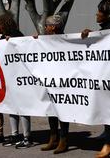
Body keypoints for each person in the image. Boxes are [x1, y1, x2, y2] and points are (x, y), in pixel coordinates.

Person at [81, 0, 110, 158]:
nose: (96, 14)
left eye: (99, 11)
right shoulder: (103, 31)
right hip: (107, 78)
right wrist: (89, 36)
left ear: (108, 14)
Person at [0, 11, 33, 149]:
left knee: (23, 108)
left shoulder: (18, 35)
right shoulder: (0, 40)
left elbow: (26, 50)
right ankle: (15, 135)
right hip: (8, 80)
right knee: (12, 107)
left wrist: (12, 42)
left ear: (4, 24)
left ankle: (27, 137)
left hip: (20, 79)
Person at [38, 14, 70, 154]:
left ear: (53, 27)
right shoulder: (44, 41)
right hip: (50, 81)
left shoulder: (68, 41)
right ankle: (53, 138)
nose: (45, 28)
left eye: (46, 25)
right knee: (51, 111)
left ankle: (64, 140)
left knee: (63, 112)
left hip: (63, 82)